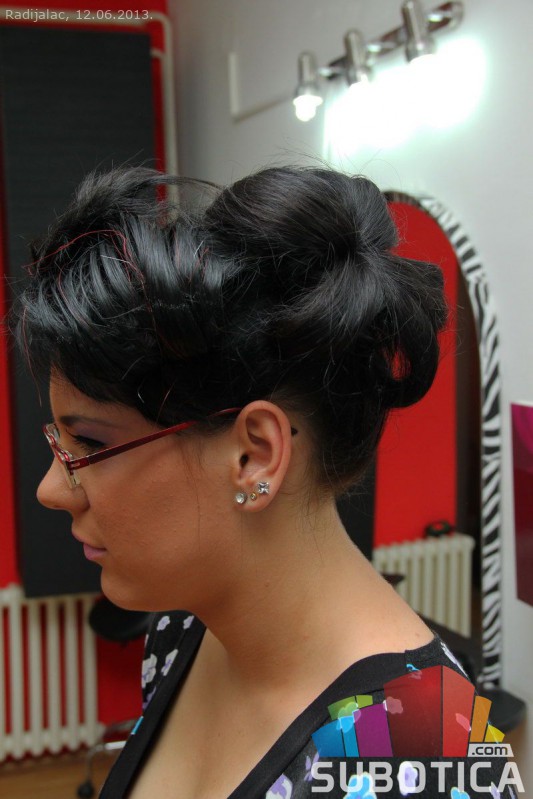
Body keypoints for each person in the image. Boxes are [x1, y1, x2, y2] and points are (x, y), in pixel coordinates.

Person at [13, 166, 517, 798]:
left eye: (90, 444)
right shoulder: (185, 631)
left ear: (254, 456)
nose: (51, 489)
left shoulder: (424, 760)